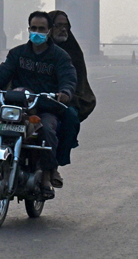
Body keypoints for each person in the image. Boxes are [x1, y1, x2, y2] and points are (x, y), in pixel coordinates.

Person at [0, 11, 77, 198]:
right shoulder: (17, 54)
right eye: (34, 28)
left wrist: (65, 93)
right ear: (29, 29)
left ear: (48, 31)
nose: (37, 32)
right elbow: (3, 72)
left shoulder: (60, 57)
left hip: (45, 107)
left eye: (42, 29)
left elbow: (68, 79)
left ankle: (46, 176)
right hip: (17, 105)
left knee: (47, 131)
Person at [48, 10, 96, 173]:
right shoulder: (33, 49)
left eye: (66, 26)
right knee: (1, 117)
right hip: (34, 97)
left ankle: (54, 166)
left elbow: (75, 80)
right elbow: (11, 68)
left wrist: (67, 94)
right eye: (59, 25)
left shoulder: (72, 53)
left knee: (70, 117)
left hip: (63, 99)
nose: (63, 29)